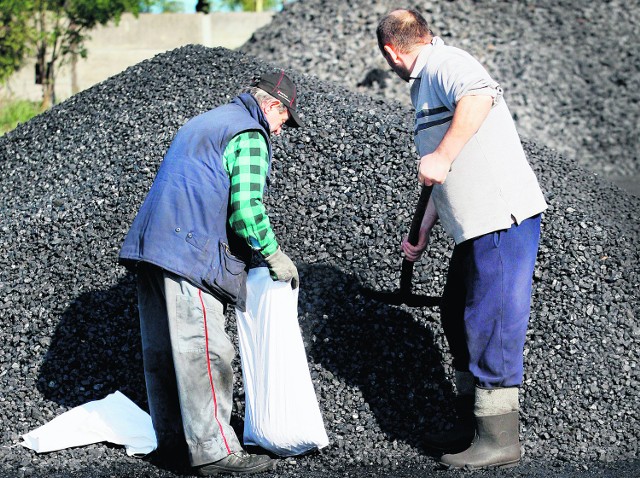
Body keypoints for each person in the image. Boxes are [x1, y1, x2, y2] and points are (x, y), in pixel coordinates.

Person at [376, 9, 548, 470]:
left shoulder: (447, 64)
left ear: (392, 52)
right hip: (471, 225)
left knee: (491, 317)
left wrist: (443, 153)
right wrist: (426, 227)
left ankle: (499, 437)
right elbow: (443, 171)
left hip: (500, 216)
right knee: (457, 312)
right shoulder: (425, 83)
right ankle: (467, 421)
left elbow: (479, 96)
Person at [119, 70, 302, 476]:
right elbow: (247, 208)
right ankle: (215, 453)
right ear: (272, 105)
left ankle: (172, 446)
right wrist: (273, 255)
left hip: (151, 248)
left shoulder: (203, 122)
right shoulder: (250, 133)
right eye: (284, 119)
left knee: (163, 353)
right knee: (205, 351)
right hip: (190, 253)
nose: (281, 129)